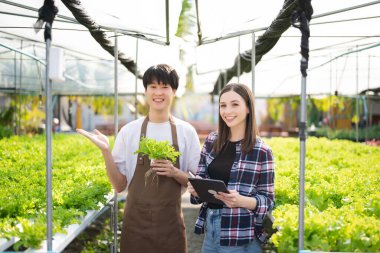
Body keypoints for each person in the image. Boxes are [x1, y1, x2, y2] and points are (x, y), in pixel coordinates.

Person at [77, 64, 201, 253]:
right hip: (135, 227)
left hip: (171, 228)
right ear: (145, 91)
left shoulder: (186, 132)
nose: (158, 92)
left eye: (164, 86)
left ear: (174, 91)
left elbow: (198, 185)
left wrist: (174, 172)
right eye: (152, 86)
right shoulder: (129, 131)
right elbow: (119, 186)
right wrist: (106, 152)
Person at [187, 83, 275, 253]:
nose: (227, 111)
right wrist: (196, 189)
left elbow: (268, 201)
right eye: (223, 105)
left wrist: (242, 201)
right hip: (210, 229)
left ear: (248, 108)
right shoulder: (212, 141)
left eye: (235, 104)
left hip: (240, 233)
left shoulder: (262, 151)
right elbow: (201, 179)